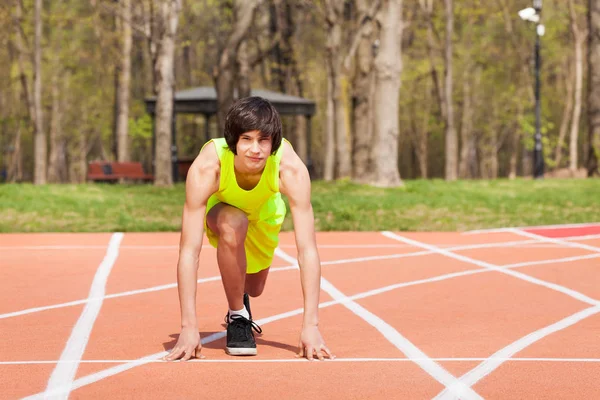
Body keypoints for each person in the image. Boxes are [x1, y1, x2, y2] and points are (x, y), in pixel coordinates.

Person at [164, 96, 334, 361]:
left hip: (265, 214)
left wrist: (311, 327)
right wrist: (188, 327)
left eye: (263, 140)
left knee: (253, 287)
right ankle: (237, 316)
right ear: (233, 141)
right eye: (246, 139)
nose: (255, 149)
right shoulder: (209, 166)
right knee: (234, 224)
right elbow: (188, 251)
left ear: (273, 142)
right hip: (222, 211)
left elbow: (307, 250)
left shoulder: (289, 168)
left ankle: (241, 296)